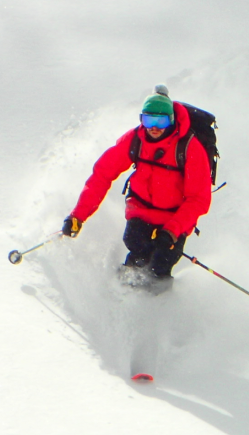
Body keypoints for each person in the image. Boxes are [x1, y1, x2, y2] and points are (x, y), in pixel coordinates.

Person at [61, 87, 213, 289]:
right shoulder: (135, 140)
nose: (154, 127)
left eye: (162, 121)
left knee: (161, 263)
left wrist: (172, 231)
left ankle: (157, 305)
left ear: (172, 120)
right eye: (149, 120)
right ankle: (121, 293)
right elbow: (102, 175)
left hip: (175, 218)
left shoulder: (189, 148)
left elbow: (199, 199)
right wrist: (77, 216)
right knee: (135, 246)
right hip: (141, 210)